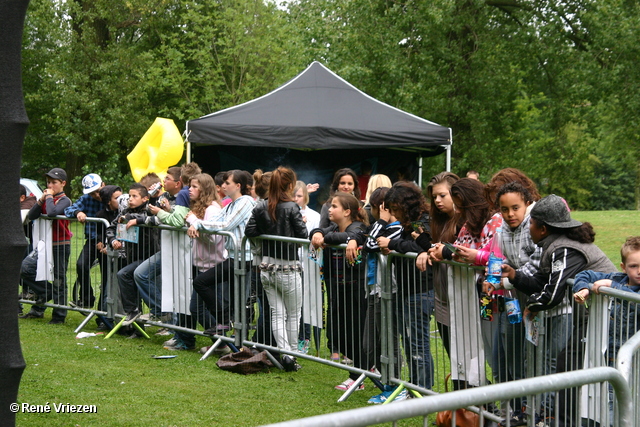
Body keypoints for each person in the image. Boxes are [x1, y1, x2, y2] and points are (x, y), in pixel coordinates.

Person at [499, 194, 617, 425]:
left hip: (611, 316)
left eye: (531, 223)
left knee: (578, 368)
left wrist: (531, 306)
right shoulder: (553, 246)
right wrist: (514, 275)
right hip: (593, 317)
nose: (528, 226)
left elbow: (553, 294)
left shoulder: (564, 249)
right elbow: (540, 283)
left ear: (543, 229)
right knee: (568, 365)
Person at [246, 167, 308, 371]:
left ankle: (286, 354)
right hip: (288, 267)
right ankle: (290, 355)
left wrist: (267, 232)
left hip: (266, 266)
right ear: (290, 185)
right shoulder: (291, 207)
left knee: (277, 313)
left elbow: (250, 230)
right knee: (292, 314)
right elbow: (302, 236)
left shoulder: (261, 205)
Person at [573, 236, 640, 425]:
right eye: (634, 266)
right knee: (613, 402)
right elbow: (584, 275)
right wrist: (584, 289)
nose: (639, 271)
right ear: (623, 267)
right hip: (612, 356)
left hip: (636, 361)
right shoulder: (618, 278)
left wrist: (612, 287)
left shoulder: (615, 283)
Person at [376, 181, 434, 395]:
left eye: (395, 208)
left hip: (419, 290)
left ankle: (423, 390)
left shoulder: (422, 221)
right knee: (410, 344)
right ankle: (416, 388)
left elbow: (422, 245)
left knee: (418, 345)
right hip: (408, 290)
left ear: (405, 204)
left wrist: (392, 245)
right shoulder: (410, 224)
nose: (393, 213)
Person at [310, 192, 368, 390]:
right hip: (336, 288)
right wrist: (317, 233)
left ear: (347, 211)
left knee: (354, 333)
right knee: (335, 334)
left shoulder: (356, 227)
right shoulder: (334, 227)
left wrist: (333, 238)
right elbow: (318, 230)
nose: (330, 209)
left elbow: (359, 233)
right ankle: (369, 367)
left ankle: (358, 375)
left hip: (355, 290)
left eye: (334, 206)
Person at [163, 173, 225, 351]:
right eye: (190, 186)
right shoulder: (200, 207)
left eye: (195, 187)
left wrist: (193, 221)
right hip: (202, 264)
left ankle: (222, 342)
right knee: (203, 308)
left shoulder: (212, 209)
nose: (189, 189)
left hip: (212, 265)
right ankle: (221, 342)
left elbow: (213, 238)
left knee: (197, 308)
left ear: (205, 189)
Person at [191, 169, 256, 332]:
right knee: (231, 299)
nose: (223, 185)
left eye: (228, 183)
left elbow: (227, 225)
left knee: (202, 282)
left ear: (238, 186)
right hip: (234, 257)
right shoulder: (231, 204)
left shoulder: (246, 201)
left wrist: (196, 223)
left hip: (243, 258)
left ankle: (226, 322)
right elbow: (215, 220)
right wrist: (198, 223)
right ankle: (227, 322)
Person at [361, 186, 404, 403]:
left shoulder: (394, 228)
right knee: (373, 343)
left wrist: (382, 221)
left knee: (389, 341)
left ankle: (393, 385)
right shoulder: (384, 228)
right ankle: (387, 380)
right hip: (376, 290)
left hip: (390, 291)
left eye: (375, 207)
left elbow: (369, 244)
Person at [134, 166, 191, 325]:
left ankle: (176, 326)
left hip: (181, 249)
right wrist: (151, 198)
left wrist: (160, 213)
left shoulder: (184, 197)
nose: (163, 181)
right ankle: (162, 312)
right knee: (141, 274)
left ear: (178, 183)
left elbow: (168, 220)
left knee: (178, 289)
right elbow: (148, 212)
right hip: (166, 248)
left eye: (167, 178)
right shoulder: (164, 195)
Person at [20, 168, 72, 324]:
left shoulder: (65, 200)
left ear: (63, 183)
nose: (50, 185)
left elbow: (51, 213)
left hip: (60, 244)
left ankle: (59, 316)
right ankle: (46, 292)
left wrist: (48, 196)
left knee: (59, 279)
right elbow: (32, 215)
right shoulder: (46, 198)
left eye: (54, 182)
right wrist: (41, 200)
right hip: (44, 244)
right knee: (25, 268)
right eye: (48, 182)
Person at [106, 183, 159, 325]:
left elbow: (145, 217)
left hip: (148, 256)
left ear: (144, 198)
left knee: (123, 274)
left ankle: (137, 311)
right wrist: (113, 241)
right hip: (131, 256)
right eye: (129, 196)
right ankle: (137, 326)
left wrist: (129, 217)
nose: (130, 199)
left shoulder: (149, 209)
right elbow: (111, 228)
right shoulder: (124, 212)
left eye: (134, 196)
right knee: (132, 287)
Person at [64, 173, 105, 309]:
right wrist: (77, 213)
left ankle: (103, 315)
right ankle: (87, 299)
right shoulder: (86, 199)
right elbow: (69, 209)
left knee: (107, 277)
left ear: (103, 185)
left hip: (109, 242)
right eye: (93, 194)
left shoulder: (112, 197)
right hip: (92, 240)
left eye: (98, 192)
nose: (96, 196)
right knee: (81, 265)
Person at [293, 180, 321, 353]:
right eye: (293, 195)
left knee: (305, 304)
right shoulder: (286, 212)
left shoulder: (314, 216)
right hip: (290, 263)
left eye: (299, 196)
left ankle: (305, 338)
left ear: (305, 197)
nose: (296, 199)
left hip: (307, 265)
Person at [94, 185, 124, 327]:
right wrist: (100, 242)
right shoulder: (101, 215)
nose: (122, 200)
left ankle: (119, 318)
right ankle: (104, 318)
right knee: (107, 284)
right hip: (107, 254)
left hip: (123, 254)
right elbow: (101, 231)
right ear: (108, 201)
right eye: (117, 198)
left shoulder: (126, 212)